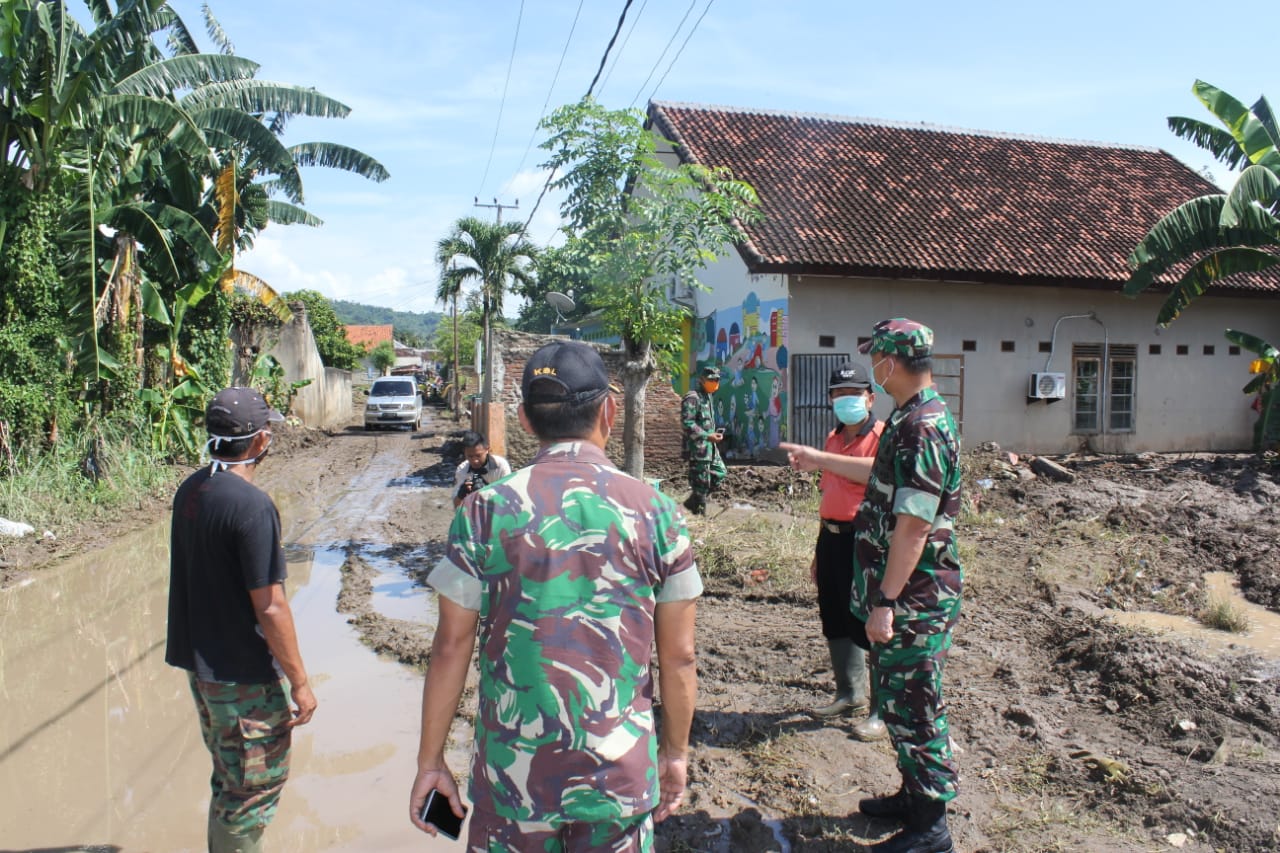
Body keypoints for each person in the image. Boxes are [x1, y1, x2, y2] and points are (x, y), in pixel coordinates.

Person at [410, 339, 702, 852]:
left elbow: (450, 648)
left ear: (523, 419)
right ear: (609, 409)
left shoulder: (483, 511)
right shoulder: (658, 513)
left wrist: (430, 762)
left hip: (512, 781)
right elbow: (680, 656)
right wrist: (674, 753)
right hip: (617, 779)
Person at [782, 319, 962, 853]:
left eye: (874, 359)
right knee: (901, 702)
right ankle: (913, 797)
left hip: (914, 598)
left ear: (891, 360)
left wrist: (885, 600)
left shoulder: (922, 426)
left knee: (918, 705)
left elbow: (914, 525)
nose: (873, 369)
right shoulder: (909, 417)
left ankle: (931, 829)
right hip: (901, 594)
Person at [166, 387, 317, 853]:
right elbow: (270, 606)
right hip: (242, 678)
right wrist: (301, 682)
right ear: (260, 440)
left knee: (231, 779)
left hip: (203, 670)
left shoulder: (192, 489)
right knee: (253, 789)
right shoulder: (252, 506)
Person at [802, 362, 888, 743]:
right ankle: (850, 695)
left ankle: (879, 710)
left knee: (869, 622)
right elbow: (829, 493)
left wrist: (821, 459)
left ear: (870, 397)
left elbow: (874, 474)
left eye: (853, 393)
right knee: (835, 615)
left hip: (865, 541)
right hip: (832, 537)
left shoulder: (883, 436)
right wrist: (819, 551)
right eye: (838, 394)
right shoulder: (833, 438)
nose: (845, 400)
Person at [681, 365, 727, 515]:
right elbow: (687, 423)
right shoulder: (693, 397)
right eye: (711, 380)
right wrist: (708, 436)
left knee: (720, 472)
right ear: (701, 380)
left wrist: (713, 436)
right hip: (698, 450)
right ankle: (700, 515)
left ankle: (692, 502)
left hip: (710, 448)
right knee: (701, 484)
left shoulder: (708, 397)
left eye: (717, 380)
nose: (714, 383)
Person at [451, 429, 511, 508]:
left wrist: (486, 493)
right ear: (464, 452)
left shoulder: (501, 466)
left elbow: (508, 499)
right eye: (470, 456)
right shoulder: (462, 470)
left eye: (478, 456)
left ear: (487, 450)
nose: (474, 461)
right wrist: (461, 494)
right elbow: (456, 506)